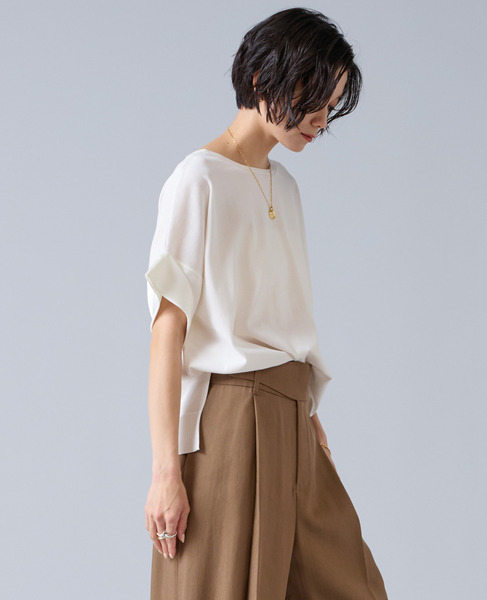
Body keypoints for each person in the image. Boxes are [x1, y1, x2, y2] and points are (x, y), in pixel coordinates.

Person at [144, 7, 389, 599]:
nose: (322, 120)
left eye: (332, 105)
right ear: (262, 77)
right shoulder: (198, 179)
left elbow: (281, 320)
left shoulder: (287, 187)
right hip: (232, 421)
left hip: (294, 418)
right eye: (316, 99)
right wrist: (165, 472)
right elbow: (167, 333)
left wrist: (308, 417)